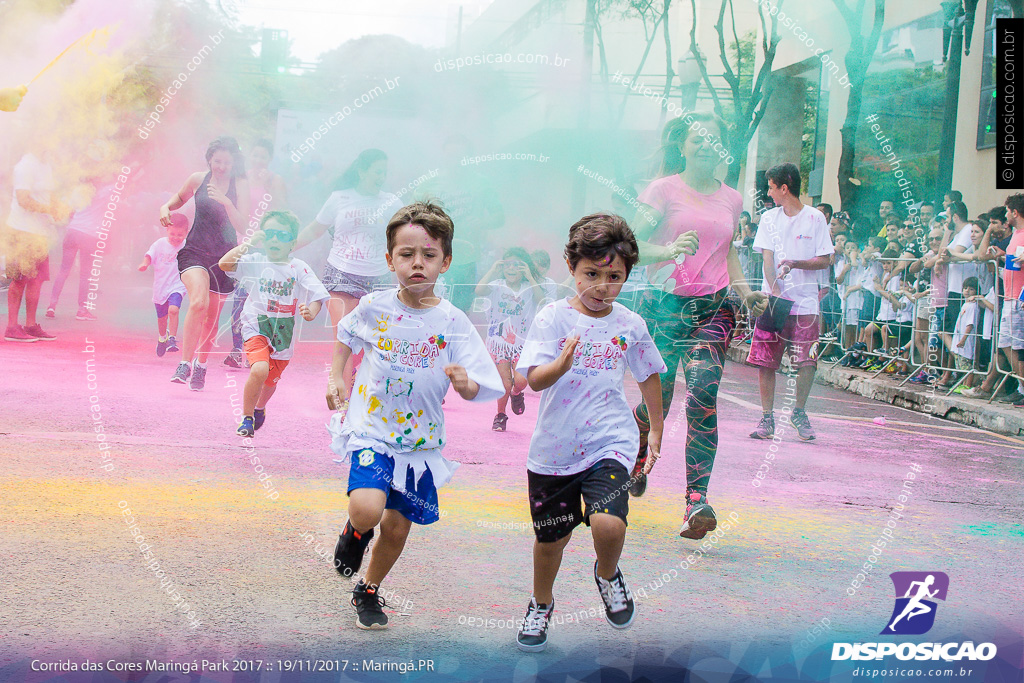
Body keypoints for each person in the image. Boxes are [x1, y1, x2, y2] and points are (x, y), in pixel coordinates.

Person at [326, 201, 504, 630]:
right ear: (390, 260)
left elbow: (482, 381)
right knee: (368, 509)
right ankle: (354, 532)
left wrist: (465, 385)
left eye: (428, 255)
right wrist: (336, 377)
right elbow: (346, 337)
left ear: (444, 262)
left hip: (420, 445)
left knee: (398, 529)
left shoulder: (454, 321)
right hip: (372, 431)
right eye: (407, 255)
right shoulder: (373, 306)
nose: (417, 264)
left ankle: (367, 590)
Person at [514, 214, 666, 652]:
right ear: (571, 266)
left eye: (614, 277)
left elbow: (649, 375)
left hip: (610, 440)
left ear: (627, 276)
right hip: (555, 450)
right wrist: (560, 364)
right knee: (551, 542)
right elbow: (534, 380)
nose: (602, 286)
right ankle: (541, 604)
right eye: (591, 275)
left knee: (608, 525)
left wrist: (654, 430)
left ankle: (607, 574)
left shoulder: (630, 324)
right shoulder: (552, 318)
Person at [627, 112, 767, 538]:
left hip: (714, 308)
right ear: (683, 146)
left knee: (703, 395)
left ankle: (695, 502)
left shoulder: (732, 198)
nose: (706, 145)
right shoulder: (662, 190)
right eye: (696, 139)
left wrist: (745, 293)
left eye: (713, 138)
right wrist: (669, 248)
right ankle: (636, 462)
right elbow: (629, 246)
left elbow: (727, 253)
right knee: (659, 404)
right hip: (664, 306)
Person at [219, 211, 329, 436]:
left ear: (292, 243)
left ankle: (260, 408)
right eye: (269, 234)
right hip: (255, 325)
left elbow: (318, 295)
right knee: (259, 369)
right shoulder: (255, 261)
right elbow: (224, 264)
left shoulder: (298, 267)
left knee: (270, 381)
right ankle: (246, 418)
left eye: (282, 235)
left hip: (284, 332)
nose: (274, 239)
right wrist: (248, 243)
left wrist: (312, 311)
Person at [295, 149, 398, 388]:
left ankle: (356, 385)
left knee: (373, 343)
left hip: (379, 279)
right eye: (377, 171)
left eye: (385, 172)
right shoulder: (340, 198)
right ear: (362, 171)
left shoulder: (391, 202)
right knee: (345, 339)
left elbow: (406, 236)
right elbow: (314, 230)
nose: (382, 176)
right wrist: (287, 246)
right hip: (341, 273)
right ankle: (343, 406)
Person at [748, 162, 834, 442]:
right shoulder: (769, 219)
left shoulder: (815, 218)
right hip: (773, 300)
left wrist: (797, 263)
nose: (769, 193)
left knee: (807, 361)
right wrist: (774, 292)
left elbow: (826, 259)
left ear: (784, 188)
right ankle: (766, 417)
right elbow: (767, 260)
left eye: (771, 187)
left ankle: (799, 411)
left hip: (806, 303)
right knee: (766, 361)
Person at [162, 137, 249, 390]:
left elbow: (243, 226)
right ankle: (184, 364)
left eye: (227, 162)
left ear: (234, 164)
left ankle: (201, 366)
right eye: (217, 161)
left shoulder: (240, 184)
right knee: (198, 301)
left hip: (224, 258)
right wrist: (165, 206)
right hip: (195, 252)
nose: (221, 166)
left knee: (212, 317)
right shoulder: (198, 179)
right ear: (209, 159)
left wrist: (226, 201)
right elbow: (179, 198)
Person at [414, 135, 505, 311]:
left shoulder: (481, 183)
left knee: (460, 312)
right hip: (433, 257)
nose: (454, 161)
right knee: (428, 308)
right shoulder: (429, 184)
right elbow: (410, 220)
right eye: (450, 156)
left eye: (459, 157)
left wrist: (482, 222)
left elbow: (499, 217)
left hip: (467, 258)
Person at [224, 138, 290, 369]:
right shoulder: (241, 179)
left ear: (270, 159)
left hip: (266, 243)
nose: (258, 160)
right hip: (244, 241)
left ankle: (260, 347)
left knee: (258, 295)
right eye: (255, 156)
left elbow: (283, 210)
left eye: (263, 156)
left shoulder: (276, 180)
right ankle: (236, 349)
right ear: (249, 157)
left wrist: (270, 186)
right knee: (239, 295)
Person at [476, 247, 546, 431]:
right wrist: (492, 270)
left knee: (521, 382)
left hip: (521, 344)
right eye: (508, 265)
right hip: (499, 343)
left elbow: (541, 300)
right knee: (504, 383)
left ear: (524, 268)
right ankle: (500, 415)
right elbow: (479, 290)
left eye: (517, 265)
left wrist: (530, 277)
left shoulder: (529, 288)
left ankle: (517, 393)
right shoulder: (497, 284)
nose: (512, 269)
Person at [5, 151, 67, 342]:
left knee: (36, 279)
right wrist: (50, 210)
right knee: (19, 279)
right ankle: (12, 327)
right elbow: (23, 199)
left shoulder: (46, 164)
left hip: (40, 233)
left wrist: (57, 208)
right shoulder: (26, 165)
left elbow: (49, 195)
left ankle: (30, 326)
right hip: (21, 231)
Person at [46, 179, 110, 321]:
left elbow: (69, 211)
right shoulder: (104, 192)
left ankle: (52, 305)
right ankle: (82, 310)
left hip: (72, 231)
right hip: (88, 235)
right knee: (85, 273)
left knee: (64, 270)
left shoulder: (77, 191)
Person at [139, 213, 189, 356]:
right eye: (172, 233)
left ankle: (172, 339)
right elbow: (149, 255)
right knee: (162, 319)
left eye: (180, 234)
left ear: (186, 232)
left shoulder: (187, 245)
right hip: (161, 286)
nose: (175, 237)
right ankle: (162, 338)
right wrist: (145, 264)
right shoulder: (160, 244)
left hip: (177, 285)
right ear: (167, 230)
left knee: (173, 310)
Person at [951, 277, 980, 390]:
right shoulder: (965, 304)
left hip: (967, 341)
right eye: (965, 288)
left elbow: (970, 324)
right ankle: (964, 383)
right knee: (961, 363)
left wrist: (963, 339)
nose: (967, 291)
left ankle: (968, 385)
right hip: (959, 338)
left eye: (971, 289)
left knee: (967, 364)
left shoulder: (973, 306)